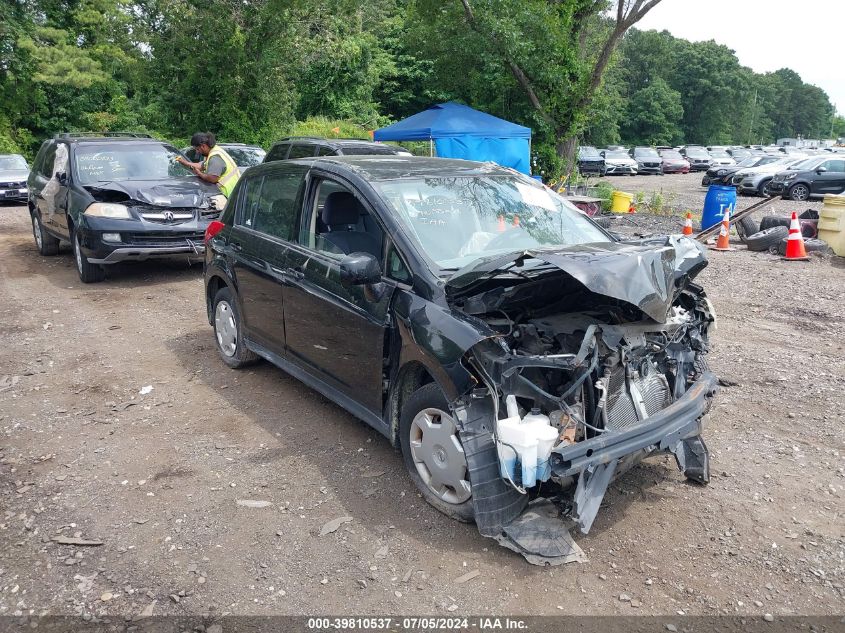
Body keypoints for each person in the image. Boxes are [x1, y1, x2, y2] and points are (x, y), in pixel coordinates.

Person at [176, 132, 241, 198]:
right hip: (234, 193)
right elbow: (202, 166)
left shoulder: (215, 157)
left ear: (203, 146)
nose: (197, 152)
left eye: (197, 149)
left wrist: (200, 174)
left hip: (230, 194)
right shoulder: (214, 151)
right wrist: (186, 163)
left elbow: (213, 178)